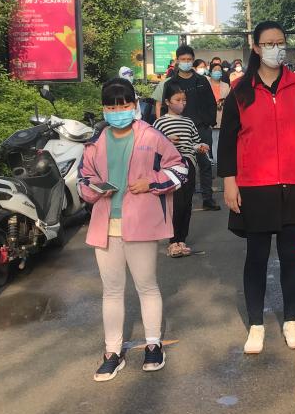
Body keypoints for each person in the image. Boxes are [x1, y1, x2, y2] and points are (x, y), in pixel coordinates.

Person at [219, 21, 295, 354]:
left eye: (280, 42)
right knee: (256, 257)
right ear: (256, 48)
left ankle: (291, 322)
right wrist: (229, 182)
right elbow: (227, 140)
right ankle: (256, 325)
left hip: (293, 183)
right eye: (269, 43)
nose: (276, 48)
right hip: (255, 185)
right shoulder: (241, 91)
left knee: (291, 256)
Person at [78, 78, 188, 381]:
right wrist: (94, 189)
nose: (118, 112)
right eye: (112, 107)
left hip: (141, 224)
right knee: (112, 291)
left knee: (147, 286)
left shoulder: (152, 136)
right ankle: (112, 352)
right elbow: (83, 179)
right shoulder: (96, 142)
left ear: (135, 105)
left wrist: (152, 182)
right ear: (104, 108)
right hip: (105, 226)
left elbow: (179, 168)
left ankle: (153, 345)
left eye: (124, 105)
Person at [155, 45, 220, 211]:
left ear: (193, 60)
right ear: (177, 60)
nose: (186, 62)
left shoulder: (201, 81)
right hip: (178, 130)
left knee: (205, 164)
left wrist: (209, 123)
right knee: (178, 164)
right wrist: (166, 130)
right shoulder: (171, 83)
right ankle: (180, 198)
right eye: (183, 59)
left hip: (201, 128)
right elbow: (164, 106)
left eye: (189, 59)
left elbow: (211, 103)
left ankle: (207, 198)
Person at [154, 83, 210, 258]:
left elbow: (194, 142)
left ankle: (182, 240)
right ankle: (173, 241)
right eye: (177, 100)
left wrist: (201, 147)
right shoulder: (160, 123)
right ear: (167, 102)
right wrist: (166, 140)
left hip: (189, 164)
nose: (182, 103)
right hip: (170, 167)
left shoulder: (188, 122)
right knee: (176, 203)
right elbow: (153, 145)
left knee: (187, 203)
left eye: (184, 100)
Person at [209, 61, 231, 168]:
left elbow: (230, 100)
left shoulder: (226, 85)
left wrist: (222, 102)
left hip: (222, 115)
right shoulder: (206, 84)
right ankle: (214, 160)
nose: (217, 72)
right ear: (210, 72)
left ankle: (219, 160)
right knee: (212, 139)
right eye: (215, 70)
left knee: (221, 139)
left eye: (219, 70)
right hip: (210, 116)